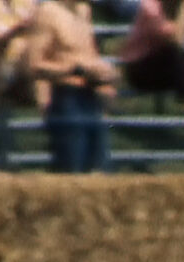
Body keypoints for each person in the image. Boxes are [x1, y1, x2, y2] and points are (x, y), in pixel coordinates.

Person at [24, 0, 116, 171]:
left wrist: (103, 78)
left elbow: (89, 53)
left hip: (91, 95)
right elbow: (33, 64)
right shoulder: (47, 13)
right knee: (72, 167)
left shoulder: (83, 11)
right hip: (65, 96)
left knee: (100, 168)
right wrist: (74, 69)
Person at [117, 0, 184, 119]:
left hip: (167, 66)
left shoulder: (179, 8)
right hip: (140, 67)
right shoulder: (151, 8)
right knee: (177, 52)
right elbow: (177, 40)